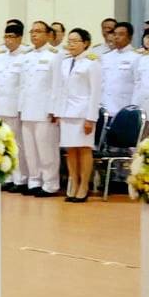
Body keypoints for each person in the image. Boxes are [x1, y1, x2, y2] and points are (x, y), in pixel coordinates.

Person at [52, 29, 103, 203]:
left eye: (75, 41)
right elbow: (60, 89)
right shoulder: (66, 62)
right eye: (70, 41)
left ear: (85, 43)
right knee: (70, 150)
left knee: (84, 149)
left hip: (83, 113)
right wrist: (58, 112)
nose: (71, 45)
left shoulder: (92, 63)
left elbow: (95, 93)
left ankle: (84, 186)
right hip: (67, 112)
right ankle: (73, 183)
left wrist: (91, 118)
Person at [18, 21, 61, 197]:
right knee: (29, 149)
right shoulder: (26, 56)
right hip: (27, 109)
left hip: (45, 111)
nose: (34, 35)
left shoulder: (55, 55)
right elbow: (22, 85)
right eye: (32, 31)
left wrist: (54, 109)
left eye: (38, 31)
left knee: (46, 149)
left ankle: (50, 183)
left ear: (48, 35)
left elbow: (57, 85)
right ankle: (34, 181)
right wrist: (20, 107)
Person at [0, 22, 28, 193]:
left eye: (12, 37)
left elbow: (24, 85)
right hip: (0, 106)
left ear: (20, 38)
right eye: (6, 37)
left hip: (15, 107)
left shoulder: (25, 57)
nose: (8, 41)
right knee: (3, 144)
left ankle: (20, 178)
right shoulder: (0, 57)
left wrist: (21, 106)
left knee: (17, 145)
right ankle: (6, 176)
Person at [100, 21, 138, 115]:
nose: (116, 37)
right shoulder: (106, 57)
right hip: (105, 107)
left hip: (124, 107)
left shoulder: (137, 57)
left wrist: (134, 107)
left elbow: (138, 85)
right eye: (115, 34)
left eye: (121, 34)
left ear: (130, 37)